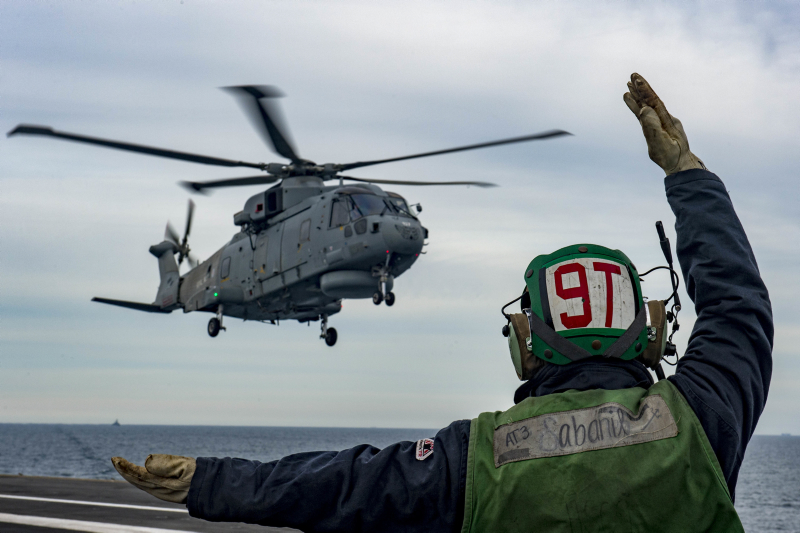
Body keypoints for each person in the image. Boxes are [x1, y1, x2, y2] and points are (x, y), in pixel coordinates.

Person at [112, 73, 773, 532]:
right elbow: (738, 306)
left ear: (526, 343)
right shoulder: (702, 421)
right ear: (649, 331)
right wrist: (687, 173)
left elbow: (340, 485)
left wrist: (208, 480)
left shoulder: (478, 457)